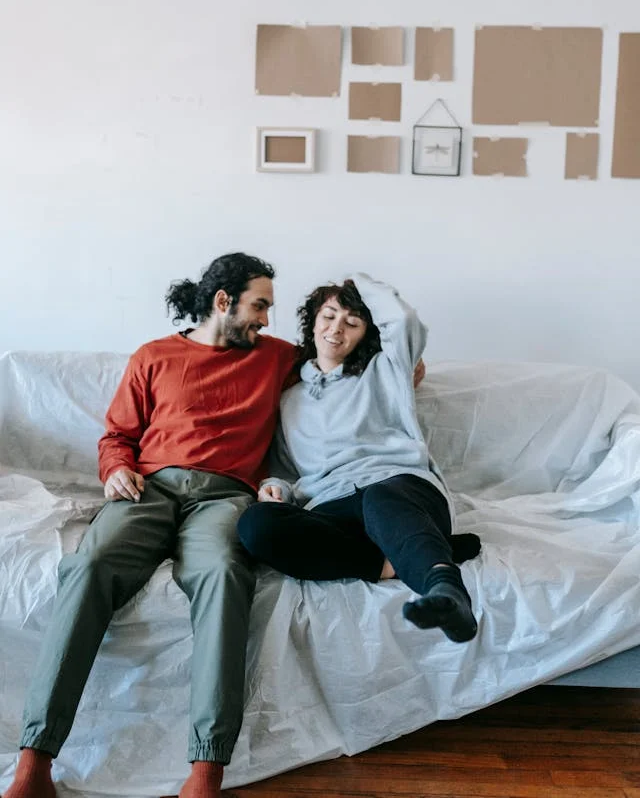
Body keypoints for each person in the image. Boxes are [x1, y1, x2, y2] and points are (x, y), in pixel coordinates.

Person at [2, 252, 298, 798]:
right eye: (259, 306)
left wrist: (402, 362)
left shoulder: (277, 358)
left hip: (225, 496)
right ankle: (34, 762)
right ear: (222, 301)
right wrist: (114, 470)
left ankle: (205, 770)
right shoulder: (155, 355)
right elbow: (117, 435)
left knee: (225, 574)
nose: (265, 320)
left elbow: (343, 359)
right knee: (88, 565)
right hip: (149, 487)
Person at [238, 273, 480, 643]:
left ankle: (446, 590)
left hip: (399, 488)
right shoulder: (289, 399)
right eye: (329, 316)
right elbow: (286, 471)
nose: (336, 329)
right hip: (333, 506)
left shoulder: (387, 370)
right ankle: (401, 558)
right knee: (256, 525)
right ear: (313, 322)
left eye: (352, 322)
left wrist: (358, 284)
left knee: (380, 495)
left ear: (365, 332)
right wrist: (274, 489)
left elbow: (404, 321)